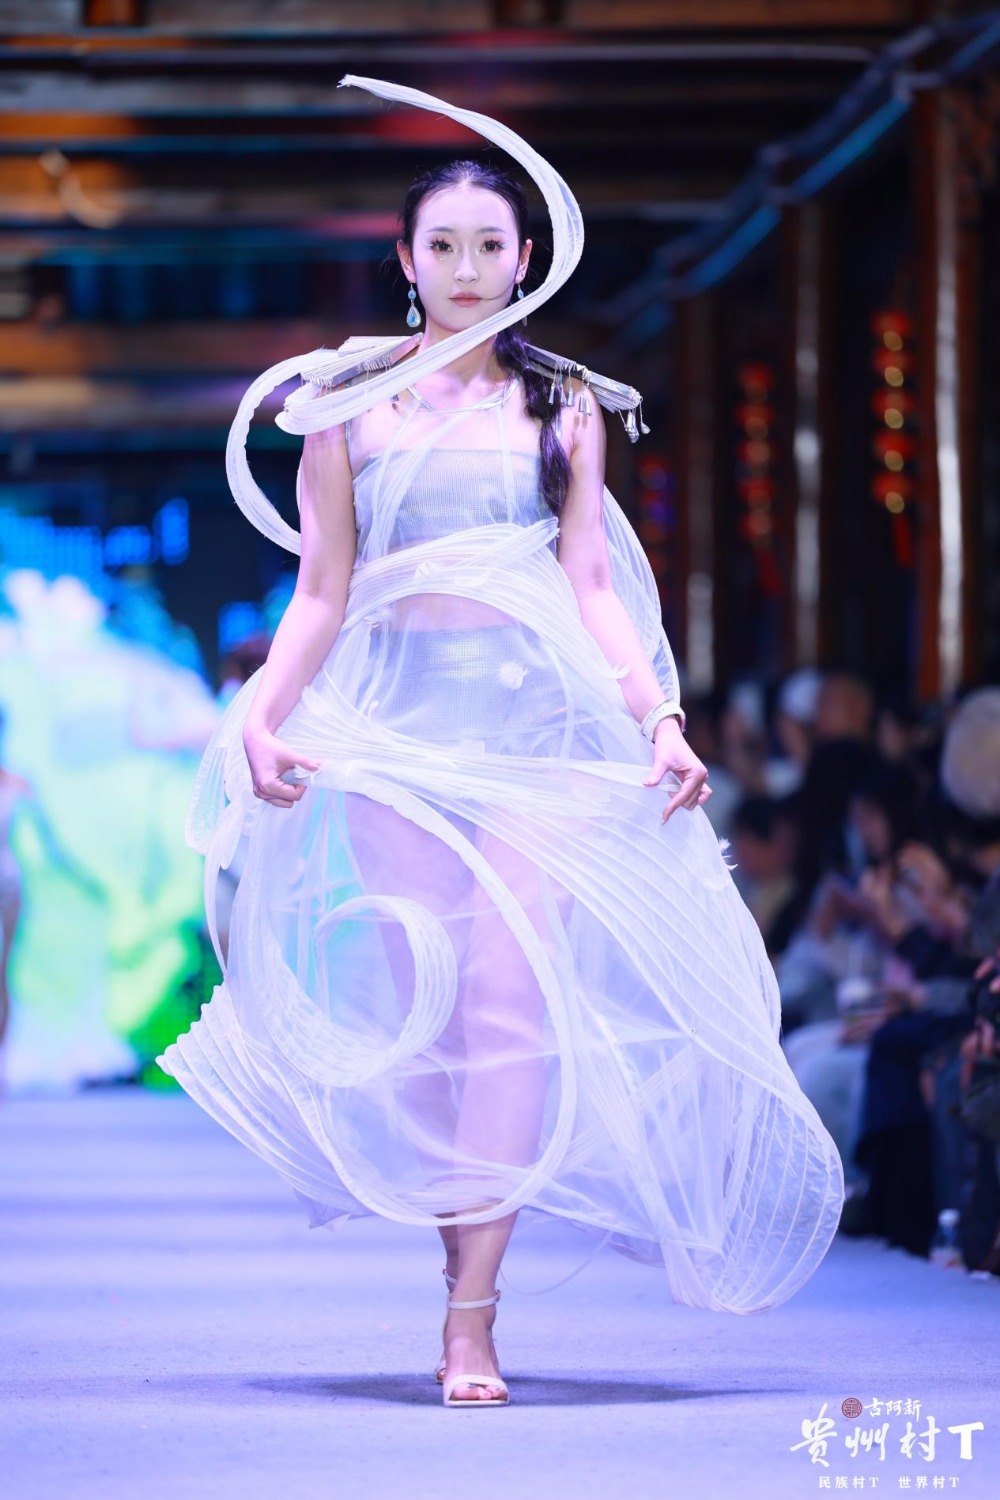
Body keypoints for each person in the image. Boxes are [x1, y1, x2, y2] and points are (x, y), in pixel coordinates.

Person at [158, 78, 843, 1409]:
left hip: (536, 735)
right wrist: (261, 711)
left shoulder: (563, 409)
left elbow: (592, 585)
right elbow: (321, 591)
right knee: (425, 1020)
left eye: (489, 244)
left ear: (525, 258)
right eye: (444, 245)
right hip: (395, 736)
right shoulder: (346, 411)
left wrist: (658, 718)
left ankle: (472, 1318)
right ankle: (453, 1248)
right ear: (407, 261)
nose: (467, 266)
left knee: (510, 1008)